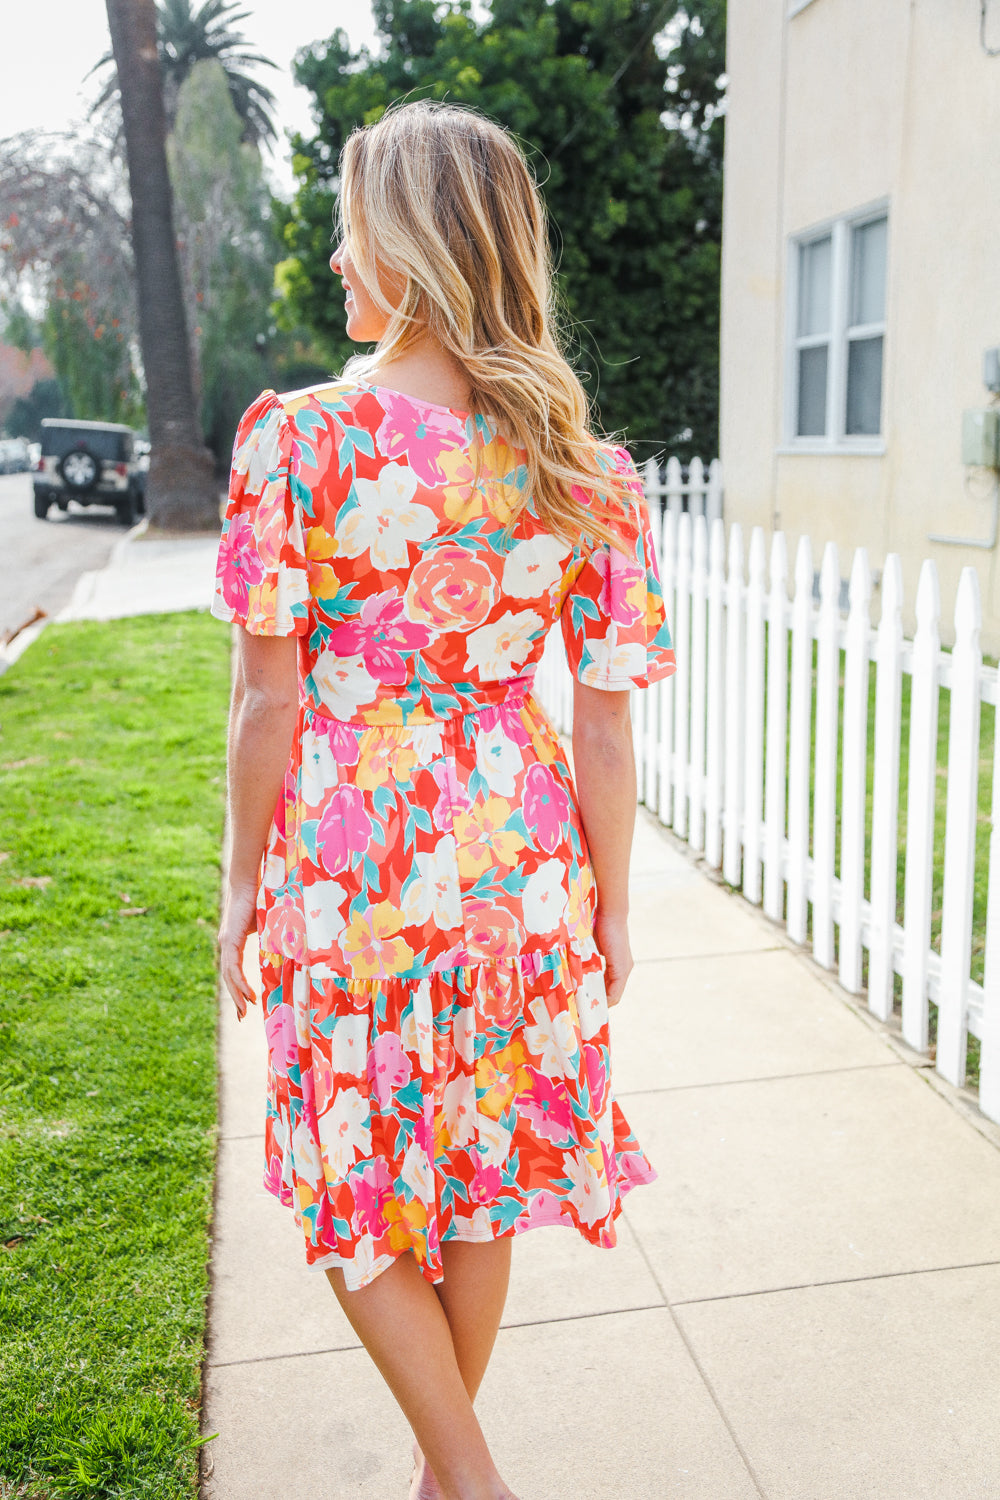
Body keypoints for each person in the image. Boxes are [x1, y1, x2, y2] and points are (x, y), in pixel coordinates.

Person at [213, 99, 676, 1500]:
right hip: (518, 864)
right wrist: (611, 906)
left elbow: (270, 702)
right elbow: (603, 728)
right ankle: (452, 1479)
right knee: (477, 1169)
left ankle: (467, 1485)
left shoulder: (295, 442)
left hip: (353, 861)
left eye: (354, 235)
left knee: (356, 1186)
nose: (339, 263)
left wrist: (241, 885)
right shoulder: (584, 468)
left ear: (411, 249)